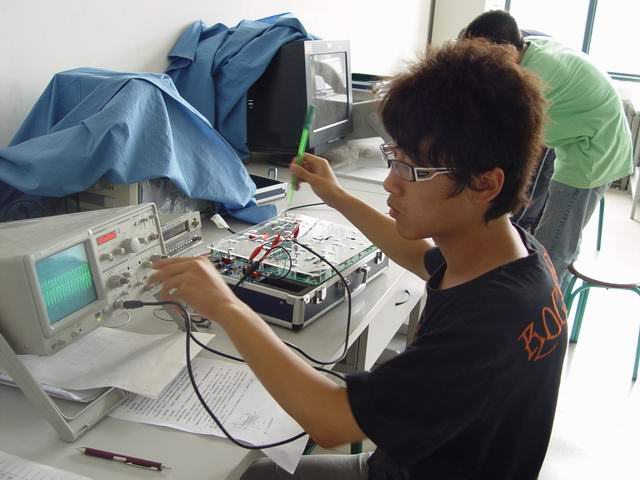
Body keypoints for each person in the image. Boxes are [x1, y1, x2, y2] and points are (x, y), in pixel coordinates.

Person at [148, 39, 567, 479]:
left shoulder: (487, 326)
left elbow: (330, 420)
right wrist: (336, 195)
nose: (390, 183)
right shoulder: (512, 254)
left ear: (484, 184)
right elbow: (421, 256)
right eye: (394, 158)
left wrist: (227, 306)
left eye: (411, 169)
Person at [462, 10, 634, 289]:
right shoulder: (528, 48)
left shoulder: (536, 76)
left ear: (505, 50)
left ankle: (547, 311)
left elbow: (502, 136)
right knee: (547, 234)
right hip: (581, 135)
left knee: (553, 249)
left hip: (592, 153)